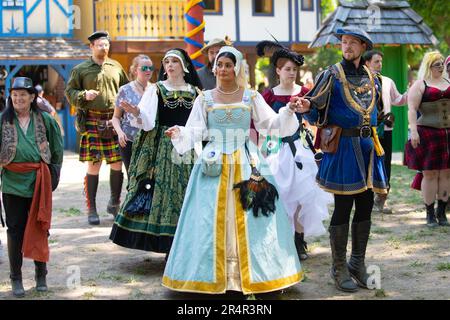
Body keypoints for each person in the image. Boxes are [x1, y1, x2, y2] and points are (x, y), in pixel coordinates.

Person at [163, 46, 303, 295]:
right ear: (215, 67)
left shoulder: (251, 96)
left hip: (247, 159)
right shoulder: (204, 98)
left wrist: (288, 111)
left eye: (229, 65)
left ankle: (260, 274)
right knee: (206, 216)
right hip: (213, 161)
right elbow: (196, 129)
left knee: (254, 215)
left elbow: (270, 124)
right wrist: (180, 132)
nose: (224, 69)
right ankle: (208, 275)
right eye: (220, 64)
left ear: (236, 68)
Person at [298, 27, 387, 293]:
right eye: (343, 42)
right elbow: (315, 109)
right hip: (344, 149)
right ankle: (338, 267)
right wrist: (307, 108)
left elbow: (376, 112)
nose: (346, 46)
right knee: (343, 206)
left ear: (363, 47)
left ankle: (357, 263)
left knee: (366, 205)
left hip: (369, 147)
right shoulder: (330, 75)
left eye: (352, 43)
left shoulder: (374, 77)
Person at [109, 49, 202, 257]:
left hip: (186, 145)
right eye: (166, 61)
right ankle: (165, 244)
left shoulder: (196, 92)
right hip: (162, 147)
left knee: (186, 191)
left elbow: (199, 123)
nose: (169, 65)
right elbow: (148, 120)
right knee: (164, 191)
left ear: (184, 66)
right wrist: (135, 112)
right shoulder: (157, 89)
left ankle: (184, 243)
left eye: (174, 61)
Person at [256, 40, 332, 261]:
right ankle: (282, 238)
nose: (291, 73)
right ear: (278, 70)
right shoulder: (268, 96)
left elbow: (317, 117)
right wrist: (261, 150)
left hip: (300, 148)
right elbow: (263, 125)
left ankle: (299, 240)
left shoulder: (305, 92)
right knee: (280, 193)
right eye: (287, 69)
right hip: (276, 148)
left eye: (294, 69)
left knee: (302, 195)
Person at [0, 77, 63, 297]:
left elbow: (57, 150)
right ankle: (15, 278)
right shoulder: (3, 120)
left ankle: (41, 275)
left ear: (32, 97)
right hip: (12, 183)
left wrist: (53, 175)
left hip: (39, 181)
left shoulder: (45, 119)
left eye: (22, 94)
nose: (18, 98)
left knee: (40, 227)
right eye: (14, 94)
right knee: (15, 229)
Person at [65, 31, 129, 225]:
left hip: (114, 121)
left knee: (118, 163)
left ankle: (114, 203)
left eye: (106, 44)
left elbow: (126, 90)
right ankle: (91, 208)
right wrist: (83, 95)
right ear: (91, 46)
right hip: (92, 121)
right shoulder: (81, 69)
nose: (104, 47)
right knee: (94, 164)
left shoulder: (116, 67)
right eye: (100, 44)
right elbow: (69, 92)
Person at [404, 51, 450, 227]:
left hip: (448, 133)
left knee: (447, 173)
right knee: (429, 174)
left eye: (441, 63)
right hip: (428, 134)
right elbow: (411, 109)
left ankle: (442, 212)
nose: (440, 66)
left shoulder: (448, 82)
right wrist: (413, 131)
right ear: (428, 66)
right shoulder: (420, 84)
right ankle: (430, 214)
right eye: (436, 64)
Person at [364, 50, 408, 213]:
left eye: (381, 61)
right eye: (376, 61)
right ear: (367, 63)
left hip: (386, 129)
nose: (380, 64)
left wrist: (410, 93)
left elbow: (398, 100)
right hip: (367, 130)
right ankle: (366, 200)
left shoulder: (388, 81)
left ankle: (381, 200)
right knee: (368, 163)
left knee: (385, 163)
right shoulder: (361, 82)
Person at [111, 54, 154, 175]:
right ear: (135, 70)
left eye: (151, 68)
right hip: (129, 140)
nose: (148, 71)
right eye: (144, 68)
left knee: (149, 177)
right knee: (132, 177)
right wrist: (120, 133)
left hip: (150, 140)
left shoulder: (156, 90)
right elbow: (115, 117)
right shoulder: (125, 90)